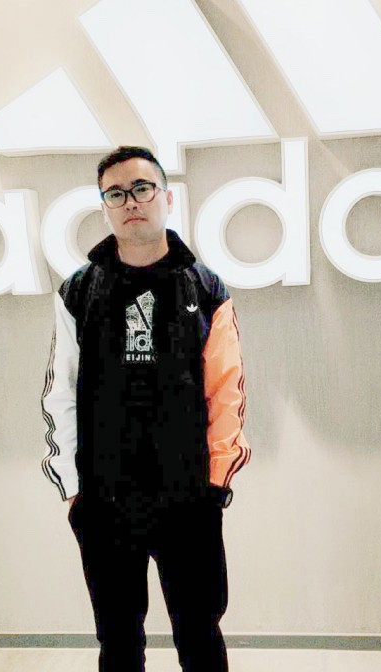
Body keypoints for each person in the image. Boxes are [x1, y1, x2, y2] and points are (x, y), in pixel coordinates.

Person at [40, 146, 251, 672]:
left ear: (167, 197)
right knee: (118, 641)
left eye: (141, 188)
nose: (130, 201)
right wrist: (74, 492)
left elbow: (226, 391)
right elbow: (60, 392)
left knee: (200, 635)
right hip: (105, 500)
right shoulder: (79, 291)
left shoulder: (205, 288)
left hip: (188, 499)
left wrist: (215, 485)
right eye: (115, 193)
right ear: (104, 207)